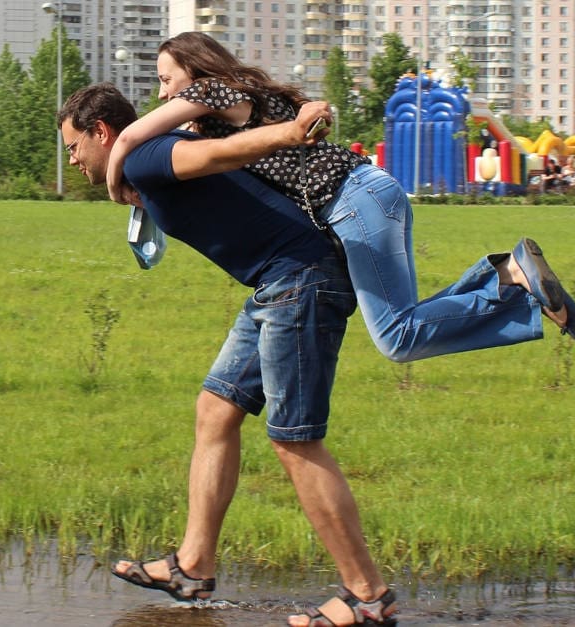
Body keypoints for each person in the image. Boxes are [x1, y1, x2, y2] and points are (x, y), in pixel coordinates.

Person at [59, 83, 397, 627]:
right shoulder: (142, 163)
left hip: (301, 281)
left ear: (102, 133)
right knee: (216, 409)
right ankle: (192, 564)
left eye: (74, 146)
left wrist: (290, 131)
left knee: (295, 440)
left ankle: (367, 595)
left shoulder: (150, 154)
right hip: (276, 284)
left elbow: (221, 152)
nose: (72, 159)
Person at [106, 31, 575, 366]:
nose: (163, 93)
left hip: (352, 202)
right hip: (372, 191)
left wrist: (113, 181)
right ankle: (504, 277)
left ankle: (514, 285)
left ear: (195, 69)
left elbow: (130, 138)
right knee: (405, 322)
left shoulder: (214, 90)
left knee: (398, 337)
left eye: (166, 80)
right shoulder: (244, 97)